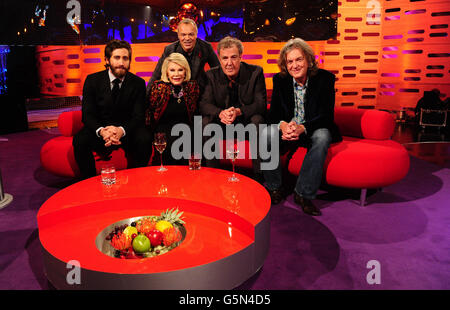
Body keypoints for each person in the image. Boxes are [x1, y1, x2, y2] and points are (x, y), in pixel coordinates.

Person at [261, 38, 342, 216]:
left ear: (309, 60)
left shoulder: (325, 79)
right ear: (285, 64)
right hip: (289, 128)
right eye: (290, 61)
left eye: (299, 59)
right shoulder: (280, 80)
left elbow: (326, 116)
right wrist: (283, 126)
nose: (294, 65)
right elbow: (273, 114)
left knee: (322, 137)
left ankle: (303, 194)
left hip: (312, 128)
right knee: (266, 134)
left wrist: (302, 128)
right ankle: (274, 188)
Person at [73, 40, 152, 179]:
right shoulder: (92, 80)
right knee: (80, 140)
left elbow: (138, 116)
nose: (121, 62)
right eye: (117, 57)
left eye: (125, 58)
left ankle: (138, 179)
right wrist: (102, 132)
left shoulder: (138, 83)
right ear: (107, 60)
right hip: (101, 129)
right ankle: (88, 182)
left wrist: (121, 130)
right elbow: (87, 114)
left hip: (126, 130)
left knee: (144, 138)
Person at [199, 36, 267, 180]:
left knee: (257, 120)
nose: (229, 63)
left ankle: (259, 177)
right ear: (219, 59)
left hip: (245, 122)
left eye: (234, 57)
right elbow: (204, 104)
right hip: (222, 124)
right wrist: (220, 113)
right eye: (224, 58)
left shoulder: (255, 73)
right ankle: (213, 175)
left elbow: (261, 104)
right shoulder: (210, 75)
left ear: (241, 57)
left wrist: (239, 111)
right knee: (206, 123)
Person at [146, 52, 200, 165]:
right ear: (166, 72)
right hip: (163, 133)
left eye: (180, 70)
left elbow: (196, 114)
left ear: (185, 71)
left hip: (186, 132)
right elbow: (150, 115)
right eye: (172, 70)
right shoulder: (159, 87)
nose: (177, 74)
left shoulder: (192, 86)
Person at [147, 18, 219, 94]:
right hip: (176, 91)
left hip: (199, 90)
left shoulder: (205, 47)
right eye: (183, 35)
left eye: (191, 34)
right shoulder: (170, 49)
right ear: (178, 35)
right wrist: (145, 98)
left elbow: (218, 71)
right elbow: (156, 75)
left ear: (196, 35)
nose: (187, 38)